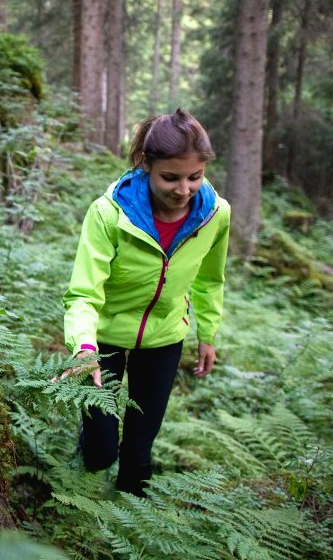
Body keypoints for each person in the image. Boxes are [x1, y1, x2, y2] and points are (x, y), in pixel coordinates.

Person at [58, 108, 230, 497]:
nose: (184, 189)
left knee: (139, 451)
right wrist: (83, 349)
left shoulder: (216, 216)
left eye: (195, 177)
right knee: (101, 451)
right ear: (146, 165)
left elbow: (210, 278)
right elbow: (83, 292)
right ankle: (81, 494)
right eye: (170, 177)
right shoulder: (108, 214)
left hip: (165, 338)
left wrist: (208, 332)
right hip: (102, 340)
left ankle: (126, 526)